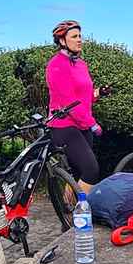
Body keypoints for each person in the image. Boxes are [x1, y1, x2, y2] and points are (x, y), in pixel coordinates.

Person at [45, 19, 102, 194]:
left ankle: (70, 210)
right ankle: (80, 215)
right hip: (64, 127)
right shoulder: (56, 65)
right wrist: (92, 123)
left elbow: (83, 97)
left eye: (80, 36)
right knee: (91, 171)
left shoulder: (81, 64)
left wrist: (97, 94)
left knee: (80, 174)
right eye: (74, 36)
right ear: (62, 41)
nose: (79, 40)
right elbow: (68, 102)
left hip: (82, 125)